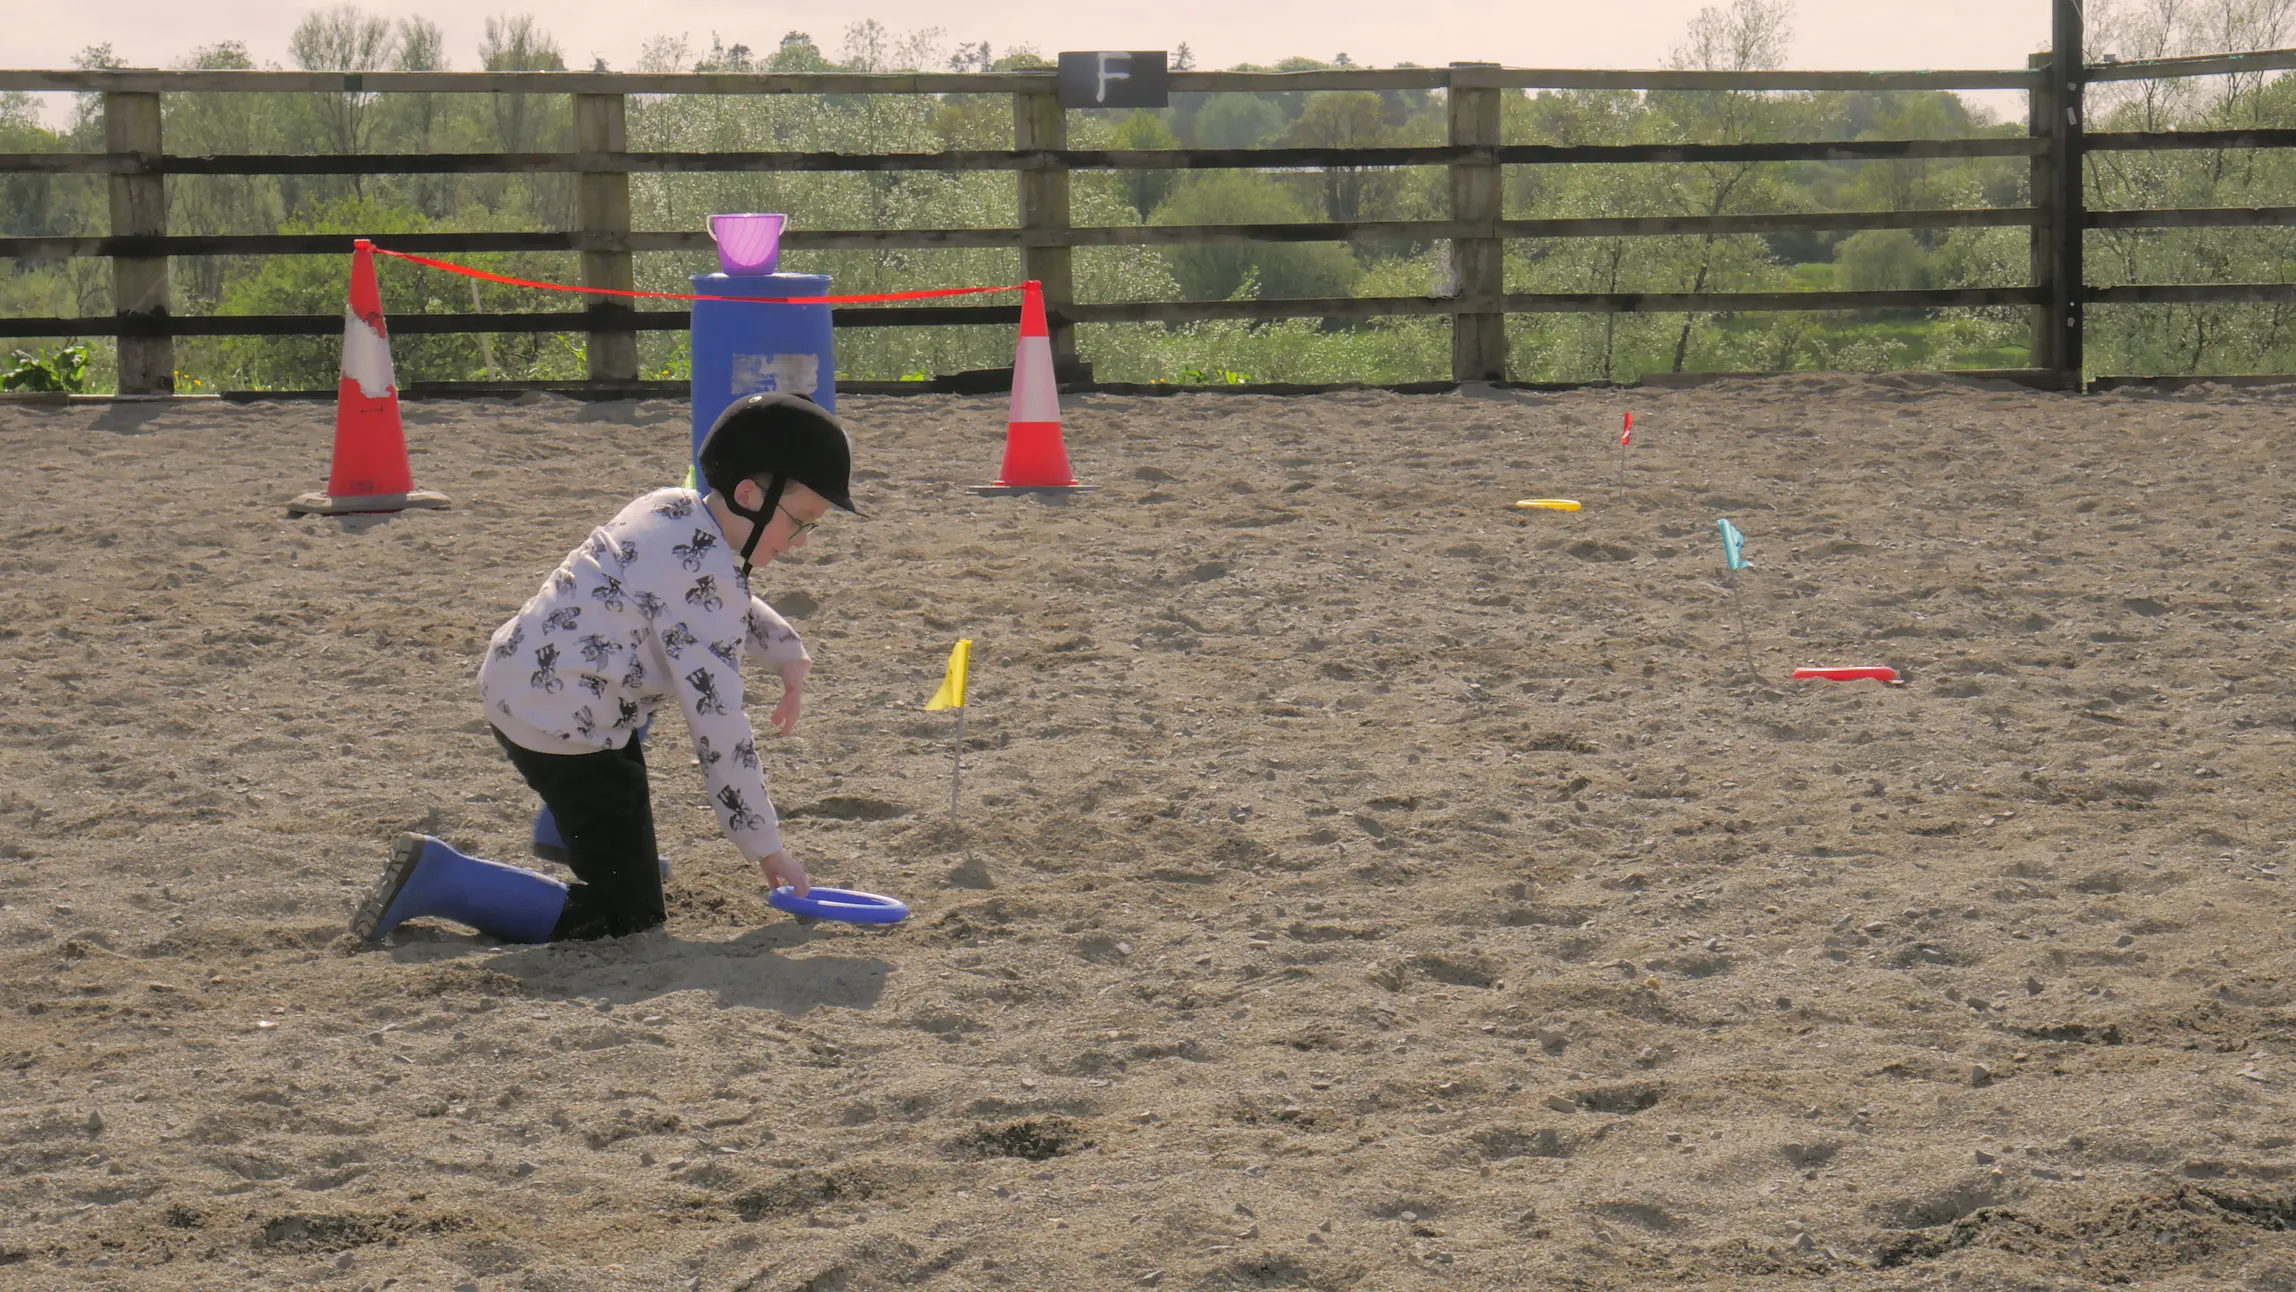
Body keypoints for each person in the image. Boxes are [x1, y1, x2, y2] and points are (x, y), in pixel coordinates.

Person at [350, 393, 859, 945]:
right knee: (628, 917)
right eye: (801, 523)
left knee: (626, 733)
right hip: (566, 727)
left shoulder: (671, 508)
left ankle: (565, 833)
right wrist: (766, 846)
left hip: (519, 679)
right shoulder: (704, 583)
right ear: (748, 496)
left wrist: (786, 652)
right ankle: (442, 878)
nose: (802, 544)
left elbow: (716, 599)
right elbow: (720, 726)